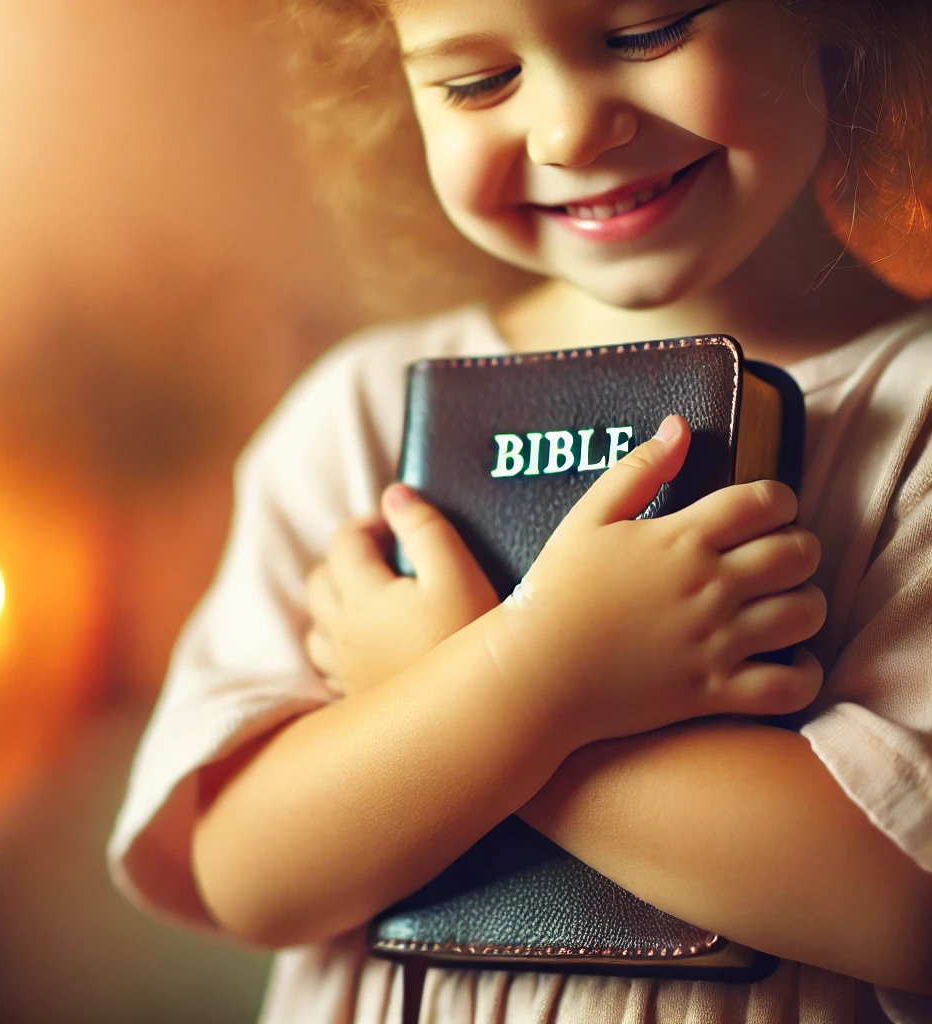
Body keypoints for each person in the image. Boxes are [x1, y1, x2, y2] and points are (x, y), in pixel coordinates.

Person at [108, 1, 932, 1021]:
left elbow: (901, 904)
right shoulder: (360, 418)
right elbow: (247, 877)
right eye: (474, 82)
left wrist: (494, 679)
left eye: (644, 33)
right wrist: (526, 676)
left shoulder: (919, 417)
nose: (566, 132)